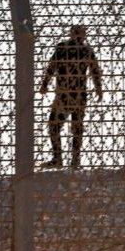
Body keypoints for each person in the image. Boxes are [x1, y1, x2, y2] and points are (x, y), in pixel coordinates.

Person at [39, 25, 103, 169]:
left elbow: (51, 67)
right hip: (78, 95)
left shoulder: (63, 48)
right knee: (75, 128)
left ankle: (59, 158)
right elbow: (95, 71)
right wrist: (98, 89)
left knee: (55, 126)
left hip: (64, 95)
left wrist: (44, 85)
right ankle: (73, 161)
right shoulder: (86, 51)